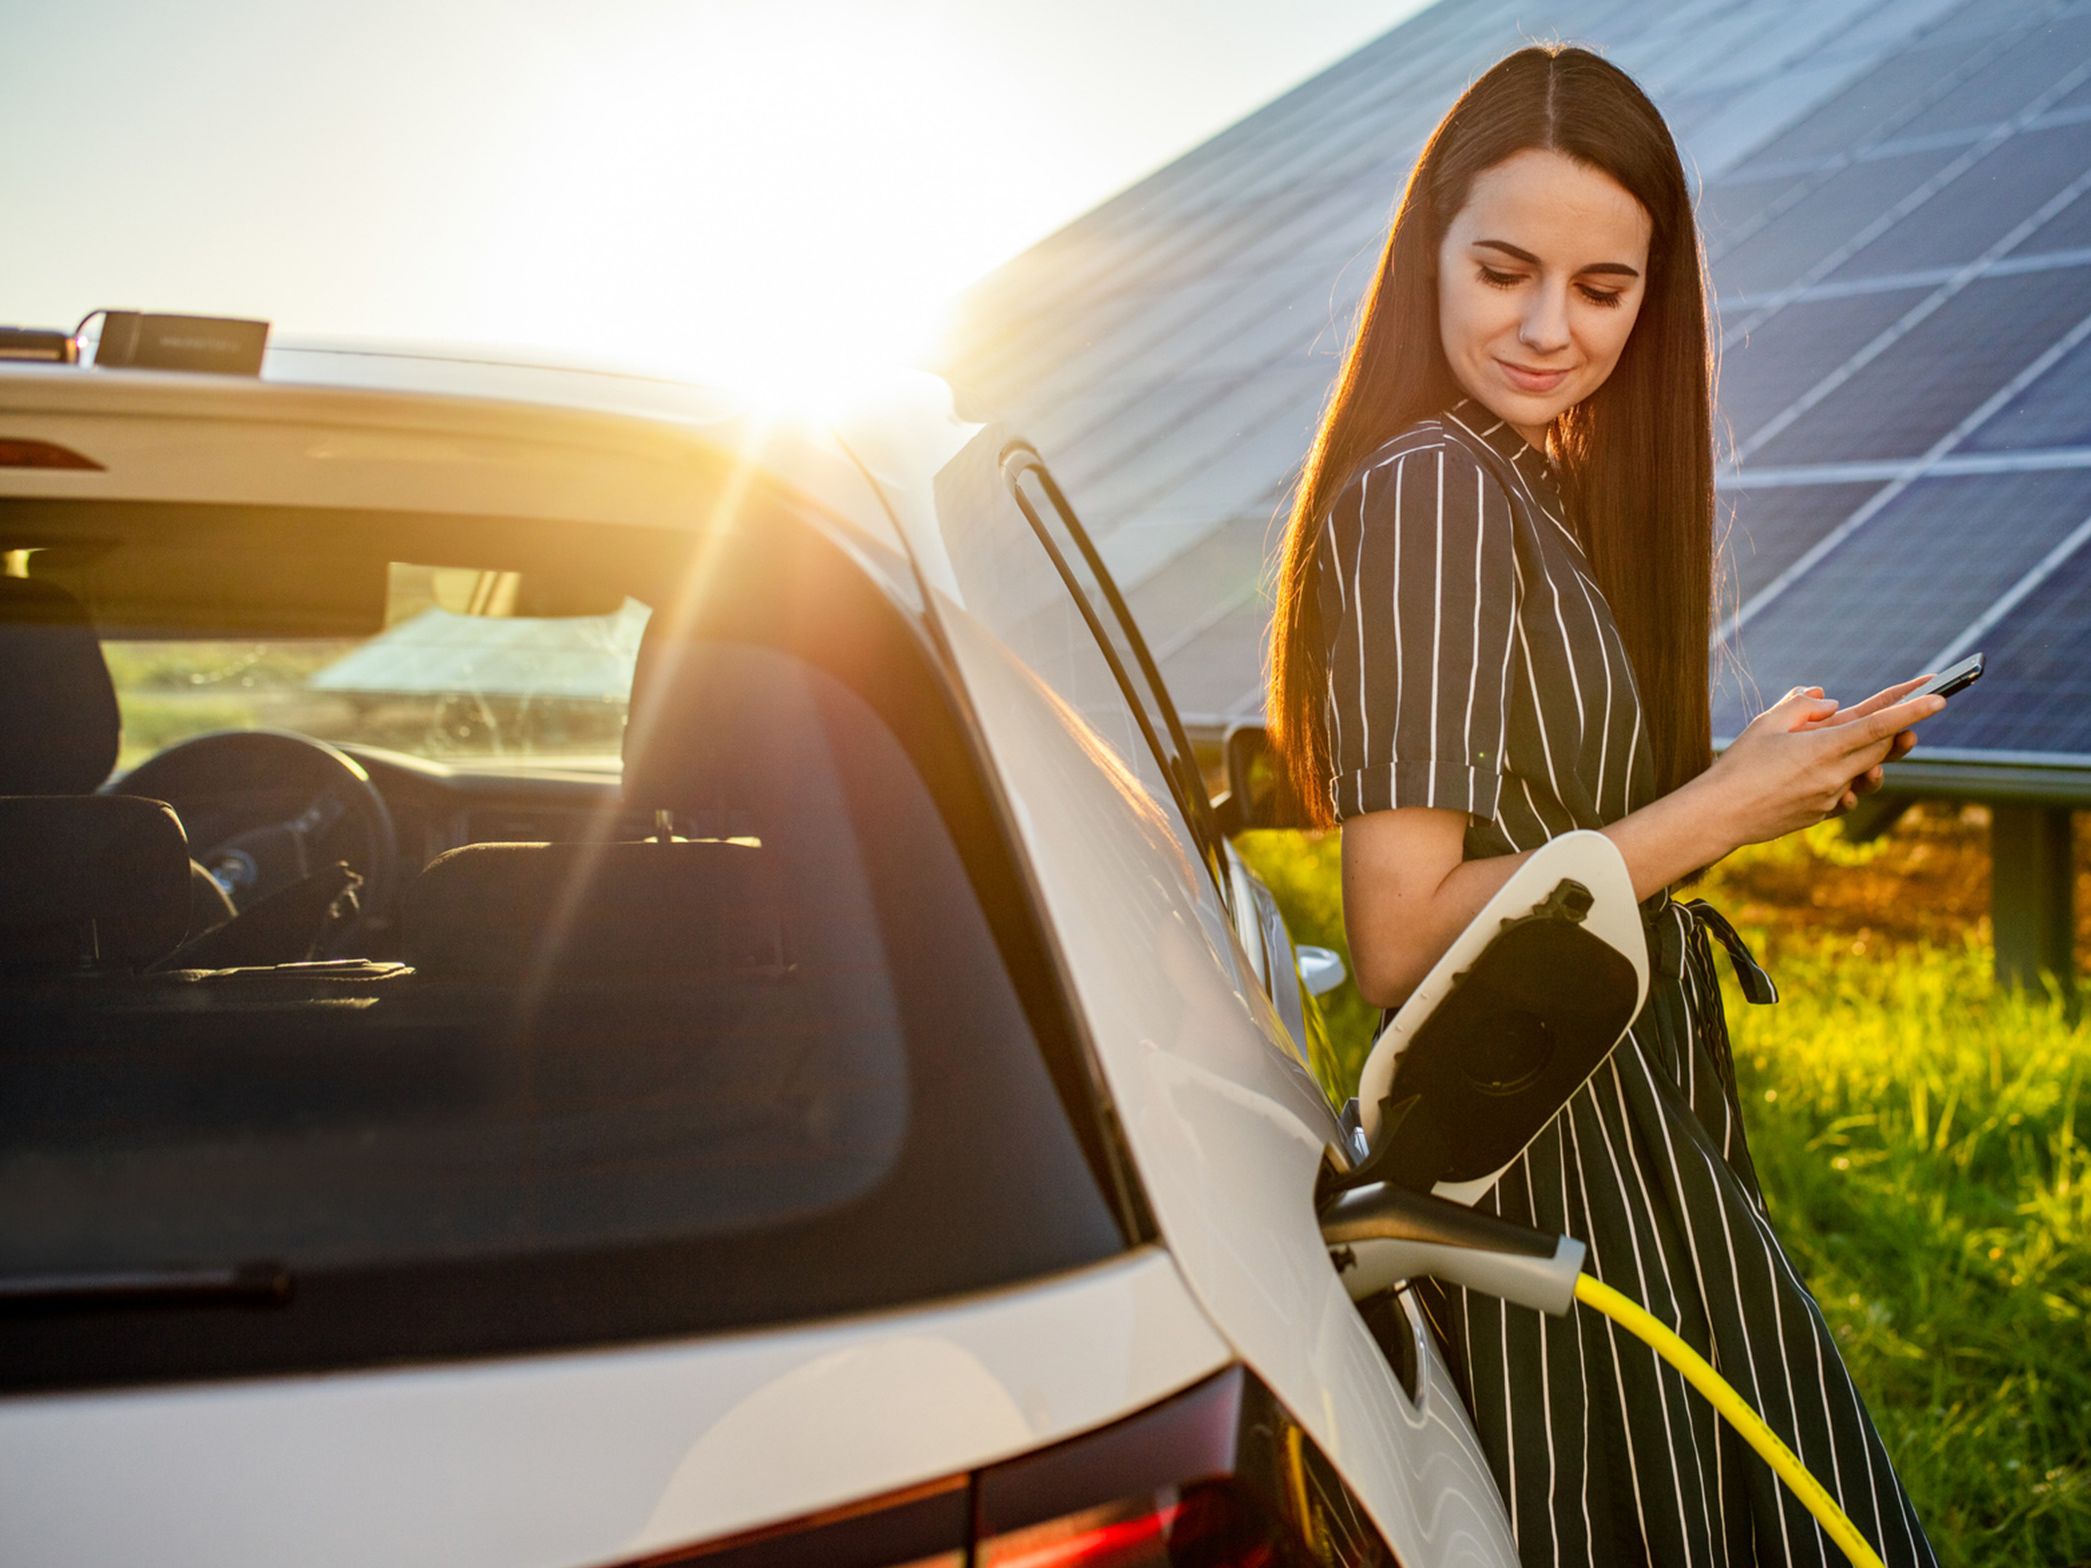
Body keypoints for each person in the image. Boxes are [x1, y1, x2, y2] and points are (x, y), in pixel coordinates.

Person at [1264, 43, 1942, 1568]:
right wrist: (1726, 812)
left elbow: (1543, 822)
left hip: (1614, 1110)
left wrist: (1737, 772)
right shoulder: (1431, 489)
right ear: (1427, 250)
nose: (1550, 329)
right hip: (1556, 1141)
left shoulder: (1525, 483)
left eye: (1605, 289)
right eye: (1504, 269)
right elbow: (1395, 935)